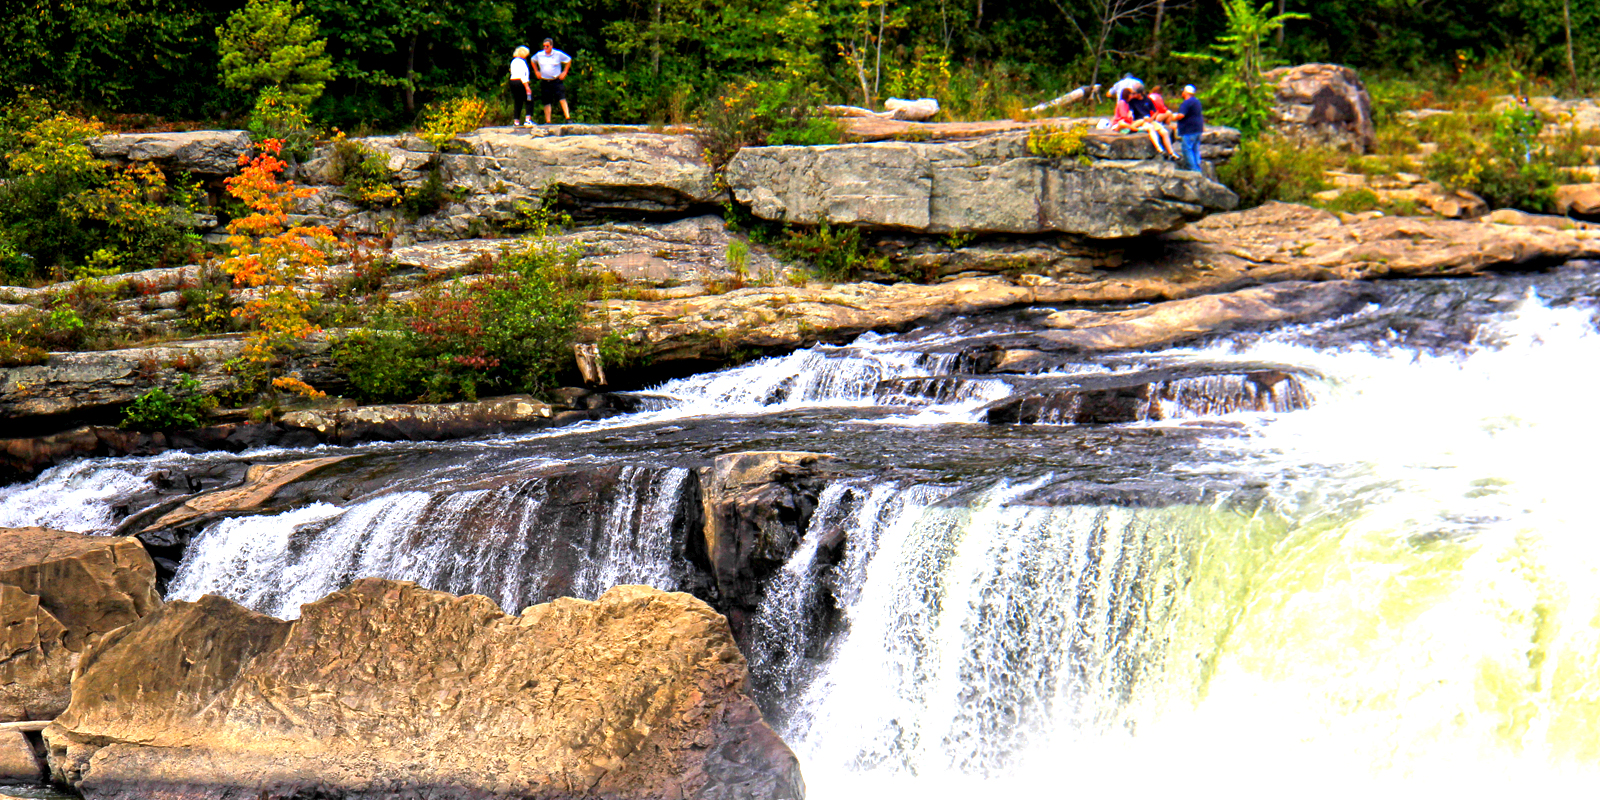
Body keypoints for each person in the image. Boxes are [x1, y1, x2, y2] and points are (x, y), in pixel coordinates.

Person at [1124, 89, 1179, 160]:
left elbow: (1156, 111)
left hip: (1150, 119)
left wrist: (1151, 118)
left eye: (1134, 93)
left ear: (1140, 93)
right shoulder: (1132, 101)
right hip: (1141, 121)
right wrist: (1129, 116)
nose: (1133, 95)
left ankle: (1172, 153)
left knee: (1164, 132)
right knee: (1150, 128)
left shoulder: (1148, 100)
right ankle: (1159, 148)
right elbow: (1130, 111)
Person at [532, 38, 572, 124]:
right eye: (544, 46)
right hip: (545, 81)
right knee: (546, 101)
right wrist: (536, 71)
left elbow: (568, 60)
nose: (545, 48)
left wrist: (565, 72)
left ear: (551, 46)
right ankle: (548, 121)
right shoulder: (539, 54)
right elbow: (532, 60)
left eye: (547, 46)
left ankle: (568, 118)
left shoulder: (558, 54)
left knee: (562, 98)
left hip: (556, 80)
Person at [1173, 85, 1205, 172]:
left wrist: (1174, 117)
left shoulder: (1187, 102)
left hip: (1189, 130)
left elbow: (1181, 115)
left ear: (1186, 93)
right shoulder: (1196, 101)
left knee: (1187, 148)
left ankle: (1193, 169)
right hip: (1198, 128)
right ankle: (1198, 167)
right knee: (1195, 148)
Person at [508, 46, 533, 127]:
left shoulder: (513, 61)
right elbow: (523, 75)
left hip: (512, 81)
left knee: (518, 101)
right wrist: (527, 86)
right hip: (520, 82)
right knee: (529, 99)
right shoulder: (522, 62)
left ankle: (516, 121)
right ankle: (528, 119)